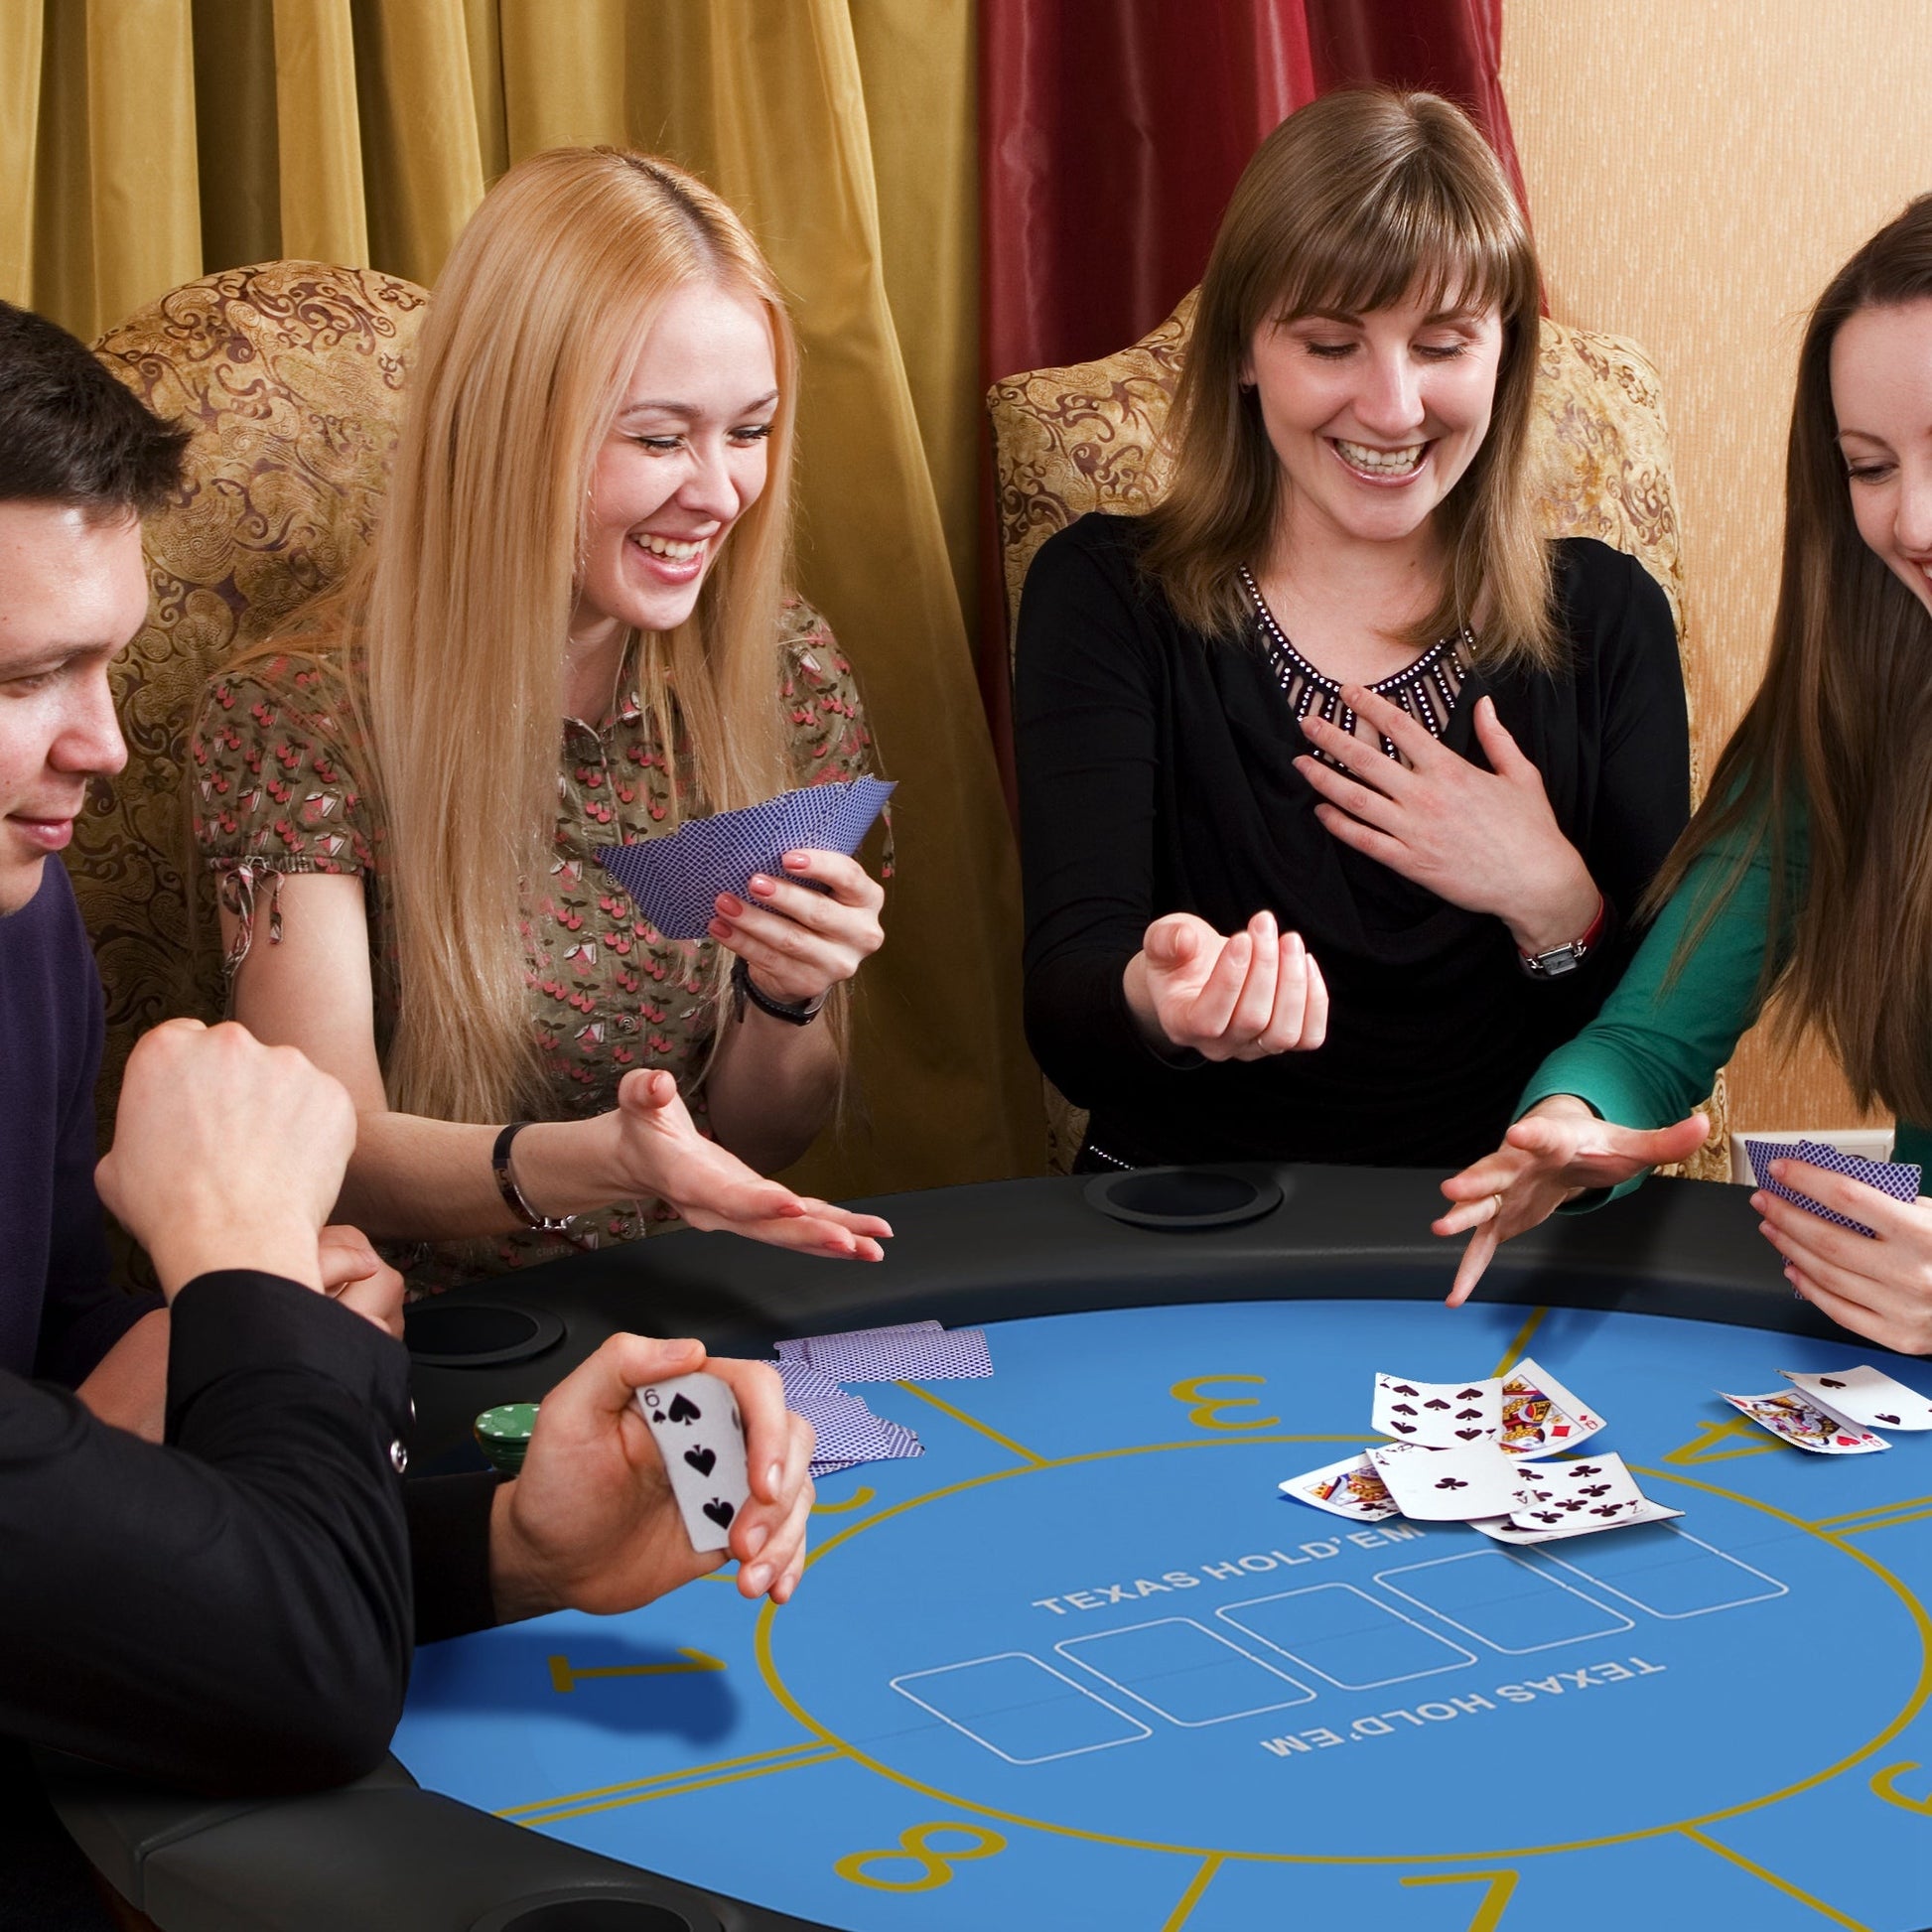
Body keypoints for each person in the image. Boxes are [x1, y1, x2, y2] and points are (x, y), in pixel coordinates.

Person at [0, 300, 814, 1927]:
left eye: (107, 659)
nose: (107, 743)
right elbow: (293, 1681)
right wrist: (240, 1277)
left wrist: (515, 1544)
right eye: (30, 677)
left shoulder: (21, 912)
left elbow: (67, 1465)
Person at [191, 148, 891, 1289]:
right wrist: (609, 1160)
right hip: (425, 1336)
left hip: (696, 1293)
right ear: (504, 428)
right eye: (658, 438)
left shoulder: (784, 664)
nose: (717, 492)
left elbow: (762, 1144)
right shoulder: (297, 711)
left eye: (750, 430)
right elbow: (329, 1158)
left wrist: (786, 992)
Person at [1014, 90, 1690, 1173]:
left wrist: (1551, 897)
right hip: (1190, 1228)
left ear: (1503, 357)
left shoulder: (1605, 619)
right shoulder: (1104, 595)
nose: (1390, 406)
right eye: (1331, 344)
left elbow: (1664, 1042)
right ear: (1244, 351)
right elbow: (1066, 1011)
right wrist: (1160, 999)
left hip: (1500, 1223)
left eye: (1441, 345)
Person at [1437, 196, 1932, 1358]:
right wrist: (1569, 1124)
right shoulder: (1848, 712)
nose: (1910, 519)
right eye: (1866, 466)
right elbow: (1650, 1043)